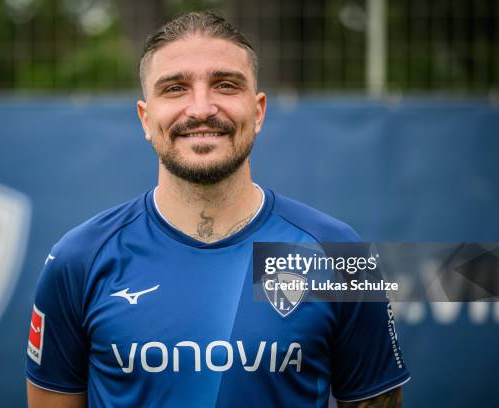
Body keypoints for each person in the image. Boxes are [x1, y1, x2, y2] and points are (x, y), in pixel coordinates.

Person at [25, 11, 410, 408]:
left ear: (258, 111)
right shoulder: (79, 259)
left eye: (225, 85)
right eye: (175, 88)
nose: (201, 108)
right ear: (145, 118)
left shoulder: (338, 253)